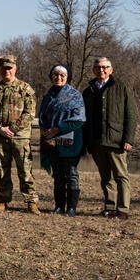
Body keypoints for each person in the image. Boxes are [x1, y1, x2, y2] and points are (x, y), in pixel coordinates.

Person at [82, 57, 137, 220]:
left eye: (105, 67)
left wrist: (128, 139)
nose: (101, 70)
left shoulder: (121, 88)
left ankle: (122, 209)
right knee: (106, 177)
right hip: (96, 141)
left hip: (116, 140)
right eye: (98, 67)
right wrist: (87, 143)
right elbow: (84, 119)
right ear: (93, 70)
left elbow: (131, 115)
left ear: (111, 70)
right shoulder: (88, 91)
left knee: (121, 176)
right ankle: (109, 207)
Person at [0, 55, 38, 214]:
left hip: (20, 137)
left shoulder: (25, 88)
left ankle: (31, 202)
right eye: (3, 68)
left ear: (15, 68)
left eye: (9, 68)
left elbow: (29, 113)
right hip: (0, 137)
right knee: (2, 170)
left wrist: (13, 128)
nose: (6, 71)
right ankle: (3, 200)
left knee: (25, 170)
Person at [38, 65, 85, 216]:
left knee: (71, 174)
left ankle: (71, 207)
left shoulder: (75, 95)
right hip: (51, 141)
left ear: (68, 77)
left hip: (69, 142)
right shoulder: (48, 95)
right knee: (57, 175)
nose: (59, 78)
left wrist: (57, 130)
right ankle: (59, 205)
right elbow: (42, 116)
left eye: (62, 75)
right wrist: (44, 130)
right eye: (55, 74)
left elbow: (79, 119)